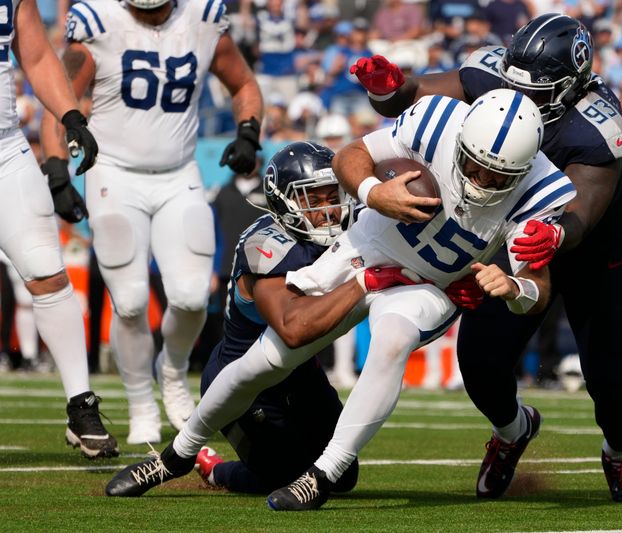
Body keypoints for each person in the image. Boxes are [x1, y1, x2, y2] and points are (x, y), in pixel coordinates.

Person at [104, 89, 576, 510]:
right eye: (475, 164)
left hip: (428, 285)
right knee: (264, 361)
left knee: (391, 339)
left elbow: (537, 292)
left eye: (499, 176)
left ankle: (322, 474)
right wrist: (375, 192)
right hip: (365, 248)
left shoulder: (540, 189)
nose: (482, 180)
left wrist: (514, 288)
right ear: (463, 140)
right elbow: (352, 154)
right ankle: (177, 456)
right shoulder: (436, 122)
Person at [349, 13, 622, 502]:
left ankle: (621, 453)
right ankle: (513, 431)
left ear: (570, 87)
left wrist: (552, 234)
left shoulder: (598, 129)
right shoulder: (489, 71)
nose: (517, 101)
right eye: (512, 86)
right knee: (480, 361)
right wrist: (387, 88)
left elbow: (579, 215)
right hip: (513, 228)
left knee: (613, 382)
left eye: (535, 95)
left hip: (591, 241)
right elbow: (411, 96)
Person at [40, 0, 264, 445]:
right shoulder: (98, 23)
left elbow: (244, 85)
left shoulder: (202, 19)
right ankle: (141, 400)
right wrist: (56, 168)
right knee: (129, 302)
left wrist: (248, 132)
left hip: (179, 174)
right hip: (113, 174)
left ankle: (174, 373)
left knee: (191, 297)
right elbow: (58, 100)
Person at [192, 141, 404, 494]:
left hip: (300, 371)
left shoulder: (347, 232)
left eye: (331, 195)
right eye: (314, 199)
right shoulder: (267, 244)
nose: (330, 210)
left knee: (342, 477)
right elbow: (293, 329)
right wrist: (363, 283)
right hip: (246, 382)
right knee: (282, 478)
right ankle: (216, 469)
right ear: (284, 201)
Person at [0, 0, 117, 459]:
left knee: (46, 269)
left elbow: (36, 56)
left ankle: (80, 403)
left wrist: (70, 115)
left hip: (4, 149)